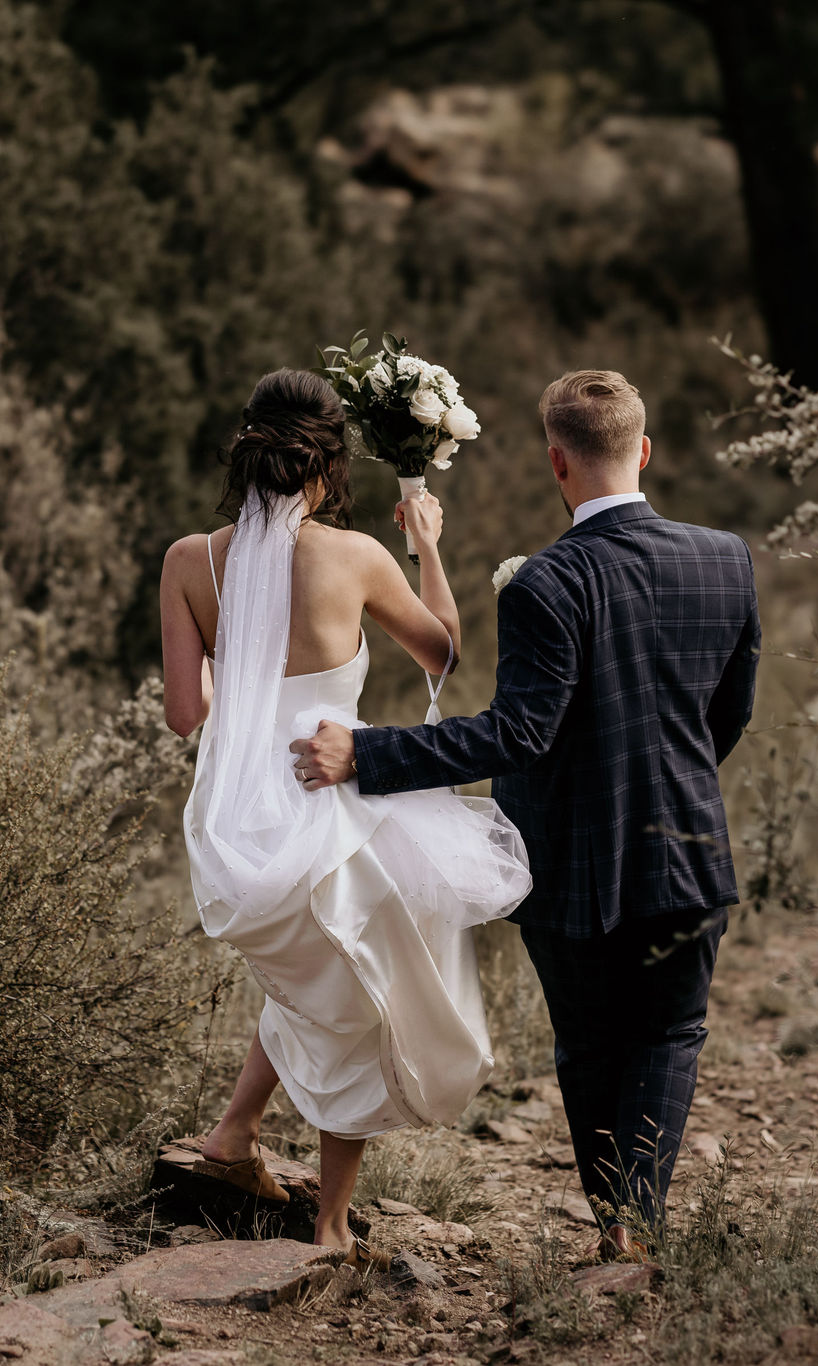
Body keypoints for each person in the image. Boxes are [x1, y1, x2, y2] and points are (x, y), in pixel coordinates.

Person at [294, 368, 759, 1260]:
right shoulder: (726, 558)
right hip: (691, 851)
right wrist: (675, 783)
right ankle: (635, 1222)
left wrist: (370, 754)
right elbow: (728, 715)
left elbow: (518, 735)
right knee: (670, 1032)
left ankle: (619, 1226)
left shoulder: (547, 581)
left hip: (572, 862)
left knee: (587, 1046)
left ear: (557, 462)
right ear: (645, 452)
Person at [160, 368, 531, 1268]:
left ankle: (235, 1134)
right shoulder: (357, 555)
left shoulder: (187, 561)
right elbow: (442, 651)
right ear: (327, 468)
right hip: (334, 794)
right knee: (356, 991)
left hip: (244, 817)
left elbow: (185, 712)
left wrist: (244, 676)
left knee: (320, 979)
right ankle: (328, 1224)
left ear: (248, 451)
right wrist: (429, 545)